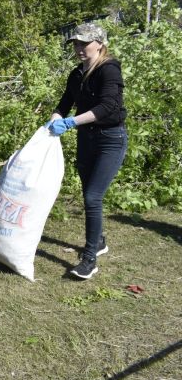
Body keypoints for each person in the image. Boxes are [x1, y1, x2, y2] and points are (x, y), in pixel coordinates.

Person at [47, 22, 127, 280]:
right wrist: (55, 118)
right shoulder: (76, 74)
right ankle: (100, 240)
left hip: (110, 139)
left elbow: (108, 107)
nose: (79, 48)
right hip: (87, 140)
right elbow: (64, 104)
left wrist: (71, 122)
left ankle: (90, 258)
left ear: (100, 44)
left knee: (93, 197)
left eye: (84, 43)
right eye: (76, 43)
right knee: (87, 195)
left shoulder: (109, 70)